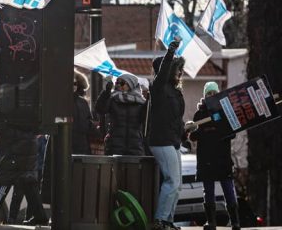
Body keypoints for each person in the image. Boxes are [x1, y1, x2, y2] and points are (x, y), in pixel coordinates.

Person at [0, 108, 48, 226]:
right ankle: (41, 217)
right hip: (26, 148)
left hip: (16, 148)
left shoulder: (12, 103)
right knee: (29, 186)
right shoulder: (29, 105)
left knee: (4, 181)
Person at [187, 82, 241, 230]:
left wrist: (218, 129)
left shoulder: (224, 111)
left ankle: (235, 222)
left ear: (217, 94)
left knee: (228, 189)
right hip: (206, 158)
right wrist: (194, 130)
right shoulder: (200, 114)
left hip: (222, 157)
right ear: (204, 96)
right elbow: (194, 137)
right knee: (208, 190)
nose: (211, 96)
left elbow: (233, 133)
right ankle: (211, 222)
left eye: (213, 93)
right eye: (208, 93)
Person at [147, 40, 186, 230]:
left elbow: (176, 120)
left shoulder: (176, 92)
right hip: (161, 140)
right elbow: (161, 74)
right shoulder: (159, 87)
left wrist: (186, 129)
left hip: (173, 140)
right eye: (176, 69)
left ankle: (168, 220)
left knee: (177, 184)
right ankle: (160, 220)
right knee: (172, 180)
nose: (180, 72)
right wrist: (170, 52)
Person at [96, 73, 146, 156]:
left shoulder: (141, 102)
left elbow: (145, 120)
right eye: (117, 83)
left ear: (131, 85)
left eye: (122, 83)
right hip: (114, 145)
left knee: (133, 169)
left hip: (135, 145)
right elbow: (100, 109)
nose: (119, 85)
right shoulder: (112, 99)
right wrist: (106, 91)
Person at [73, 70, 95, 155]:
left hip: (82, 146)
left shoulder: (83, 102)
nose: (73, 86)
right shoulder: (59, 101)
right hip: (62, 146)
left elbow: (88, 123)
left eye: (75, 83)